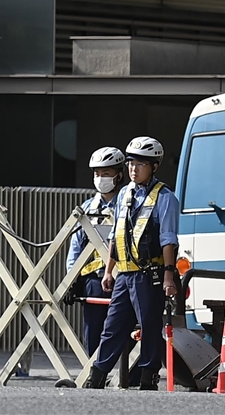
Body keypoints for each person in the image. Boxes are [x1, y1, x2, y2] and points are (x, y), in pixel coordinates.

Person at [85, 136, 179, 390]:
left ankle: (148, 377)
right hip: (124, 275)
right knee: (112, 327)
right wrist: (108, 270)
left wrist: (169, 276)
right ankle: (97, 376)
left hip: (150, 274)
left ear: (154, 167)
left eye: (141, 164)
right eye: (131, 164)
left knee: (149, 327)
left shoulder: (165, 197)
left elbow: (168, 239)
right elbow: (117, 233)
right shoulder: (125, 194)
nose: (133, 169)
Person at [66, 146, 125, 356]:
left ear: (119, 175)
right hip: (93, 280)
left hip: (123, 278)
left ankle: (129, 377)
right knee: (93, 331)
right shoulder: (87, 208)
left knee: (126, 330)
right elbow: (75, 246)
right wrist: (71, 280)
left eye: (106, 174)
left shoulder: (128, 204)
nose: (101, 178)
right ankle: (94, 373)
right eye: (97, 174)